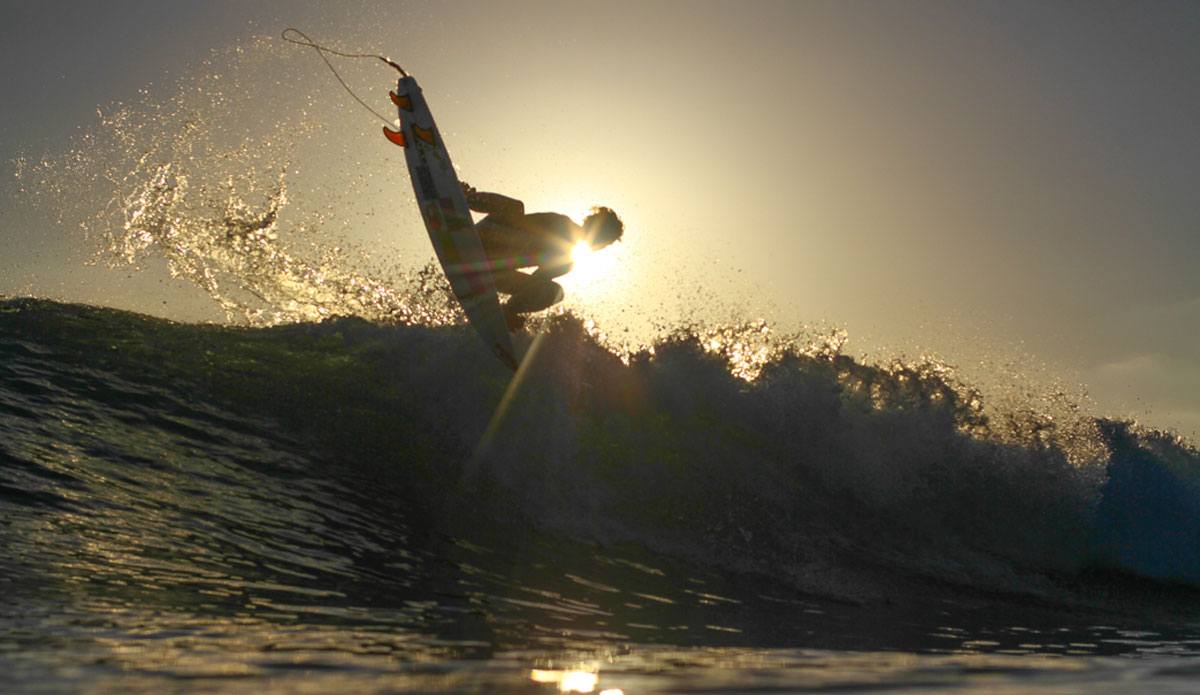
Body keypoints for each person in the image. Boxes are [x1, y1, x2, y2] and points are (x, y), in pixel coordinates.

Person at [460, 182, 624, 329]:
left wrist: (512, 309)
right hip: (484, 239)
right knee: (515, 207)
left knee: (553, 291)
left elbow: (534, 283)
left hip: (491, 271)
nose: (602, 245)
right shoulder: (562, 225)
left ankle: (505, 313)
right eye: (604, 239)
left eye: (606, 242)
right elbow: (517, 223)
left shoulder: (568, 260)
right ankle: (465, 198)